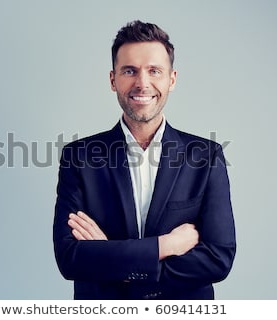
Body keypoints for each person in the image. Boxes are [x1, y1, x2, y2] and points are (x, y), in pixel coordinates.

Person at [53, 20, 236, 300]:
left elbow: (218, 259)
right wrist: (165, 245)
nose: (142, 83)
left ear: (171, 79)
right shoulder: (78, 157)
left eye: (154, 71)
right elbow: (70, 258)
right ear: (113, 80)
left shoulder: (206, 157)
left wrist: (115, 262)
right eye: (130, 70)